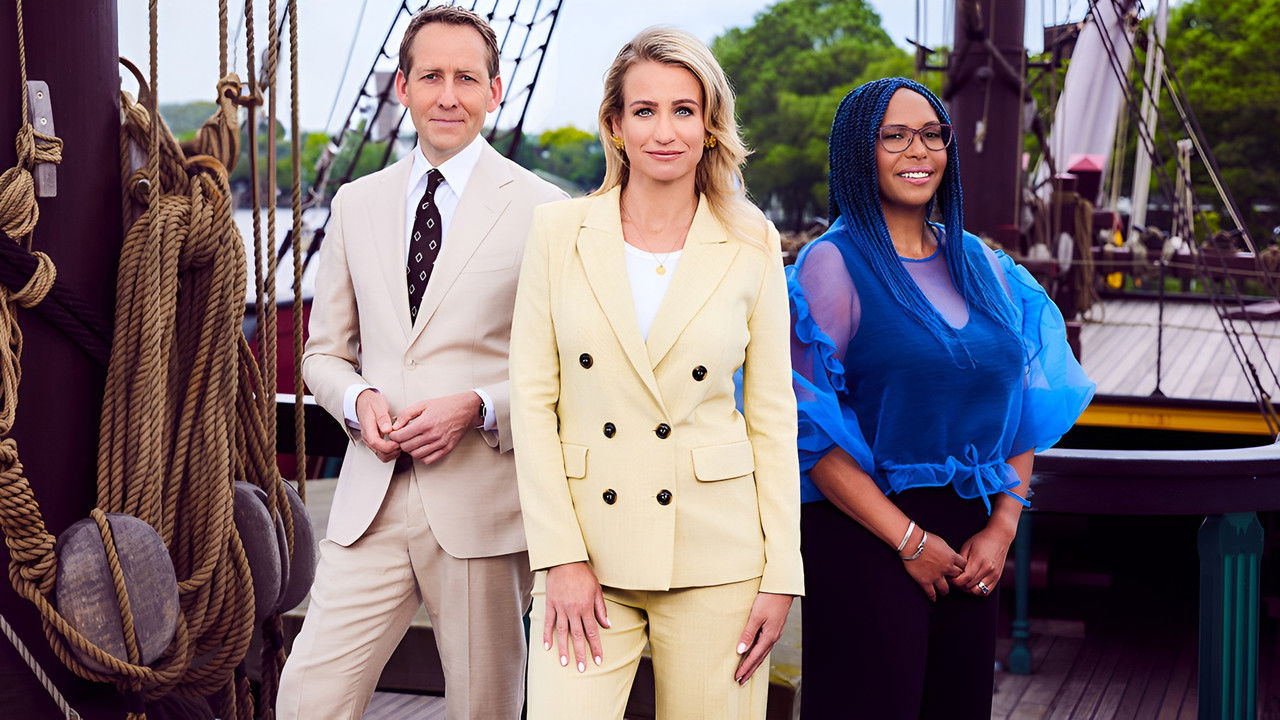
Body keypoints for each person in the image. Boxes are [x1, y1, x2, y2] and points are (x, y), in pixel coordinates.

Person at [276, 6, 565, 719]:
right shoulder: (355, 203)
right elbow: (323, 352)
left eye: (466, 78)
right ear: (402, 87)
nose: (448, 96)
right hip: (369, 501)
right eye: (431, 76)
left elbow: (567, 369)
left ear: (494, 91)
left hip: (481, 506)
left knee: (484, 708)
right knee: (307, 698)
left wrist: (477, 406)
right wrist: (357, 399)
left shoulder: (546, 211)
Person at [509, 27, 803, 720]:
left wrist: (782, 572)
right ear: (615, 124)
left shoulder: (751, 239)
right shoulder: (557, 232)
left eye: (684, 110)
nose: (664, 131)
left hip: (718, 557)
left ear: (710, 125)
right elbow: (532, 402)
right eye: (644, 110)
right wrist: (559, 559)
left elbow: (772, 416)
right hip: (586, 552)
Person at [789, 77, 1094, 719]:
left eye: (932, 134)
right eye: (894, 136)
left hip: (973, 543)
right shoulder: (831, 264)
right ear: (859, 151)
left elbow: (1023, 409)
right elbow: (807, 430)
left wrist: (1002, 529)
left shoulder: (982, 263)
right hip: (867, 534)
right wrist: (908, 541)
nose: (918, 150)